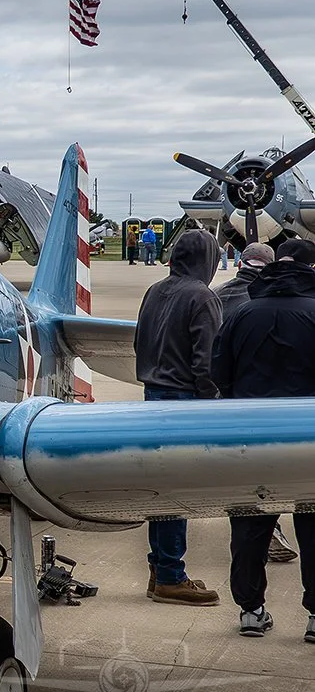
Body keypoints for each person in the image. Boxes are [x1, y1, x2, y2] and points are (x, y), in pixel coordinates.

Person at [212, 238, 315, 640]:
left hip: (250, 435)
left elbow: (219, 373)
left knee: (250, 528)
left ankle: (251, 610)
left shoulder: (242, 313)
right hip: (308, 436)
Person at [134, 229, 222, 605]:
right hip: (184, 399)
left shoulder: (155, 291)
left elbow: (139, 341)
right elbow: (207, 361)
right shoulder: (203, 297)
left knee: (161, 485)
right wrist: (210, 403)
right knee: (178, 491)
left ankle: (159, 568)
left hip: (153, 395)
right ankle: (171, 575)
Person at [212, 242, 298, 563]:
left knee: (241, 470)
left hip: (227, 399)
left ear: (240, 263)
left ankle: (248, 534)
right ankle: (269, 528)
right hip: (267, 399)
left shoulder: (217, 296)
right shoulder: (271, 299)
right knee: (270, 469)